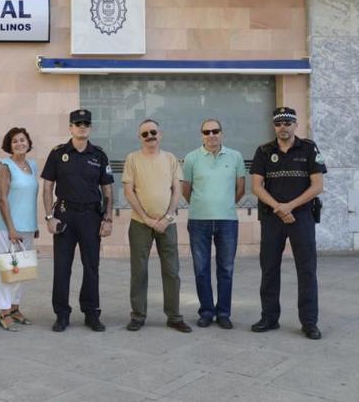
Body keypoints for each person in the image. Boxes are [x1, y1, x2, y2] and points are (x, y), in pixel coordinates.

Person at [250, 107, 326, 340]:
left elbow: (317, 186)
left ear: (295, 124)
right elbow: (256, 187)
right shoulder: (264, 151)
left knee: (306, 270)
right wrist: (279, 208)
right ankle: (269, 317)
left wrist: (289, 206)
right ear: (274, 126)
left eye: (287, 122)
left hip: (301, 216)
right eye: (279, 123)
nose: (283, 127)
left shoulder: (309, 148)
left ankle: (309, 322)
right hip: (273, 218)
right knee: (269, 268)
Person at [41, 109, 114, 333]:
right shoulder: (58, 153)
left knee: (92, 266)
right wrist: (49, 217)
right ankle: (62, 314)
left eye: (86, 124)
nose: (82, 127)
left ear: (90, 128)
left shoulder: (98, 155)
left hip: (91, 217)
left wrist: (108, 219)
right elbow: (47, 187)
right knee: (62, 267)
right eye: (77, 123)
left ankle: (91, 313)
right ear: (70, 128)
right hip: (64, 214)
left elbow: (108, 190)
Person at [122, 119, 191, 333]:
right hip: (140, 223)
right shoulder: (132, 159)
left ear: (160, 134)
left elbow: (177, 191)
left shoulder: (170, 159)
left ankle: (174, 316)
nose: (150, 136)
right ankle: (138, 316)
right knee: (139, 271)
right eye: (145, 133)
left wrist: (167, 218)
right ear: (140, 137)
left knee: (172, 271)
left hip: (167, 224)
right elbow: (128, 191)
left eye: (153, 132)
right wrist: (147, 218)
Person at [181, 119, 246, 329]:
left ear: (222, 133)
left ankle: (224, 313)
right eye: (206, 132)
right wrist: (203, 205)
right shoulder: (191, 158)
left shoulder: (235, 157)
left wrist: (224, 205)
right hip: (199, 220)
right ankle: (207, 312)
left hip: (227, 221)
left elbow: (241, 188)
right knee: (201, 269)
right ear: (202, 135)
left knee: (226, 268)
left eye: (215, 131)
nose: (211, 135)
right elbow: (186, 190)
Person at [0, 127, 39, 331]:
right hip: (8, 227)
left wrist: (35, 224)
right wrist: (11, 228)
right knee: (7, 269)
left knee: (23, 270)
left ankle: (15, 308)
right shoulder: (5, 165)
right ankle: (4, 312)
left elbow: (31, 198)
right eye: (14, 141)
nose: (19, 143)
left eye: (22, 140)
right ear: (9, 145)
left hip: (27, 226)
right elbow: (2, 199)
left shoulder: (33, 166)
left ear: (28, 142)